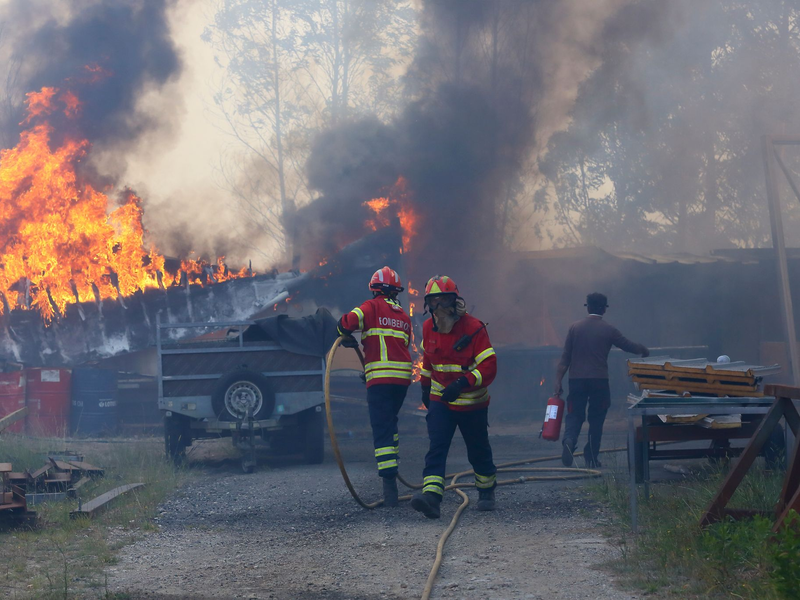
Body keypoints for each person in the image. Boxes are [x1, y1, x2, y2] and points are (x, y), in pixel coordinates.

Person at [410, 275, 498, 519]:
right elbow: (428, 361)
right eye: (433, 301)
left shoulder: (473, 328)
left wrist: (463, 383)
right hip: (441, 401)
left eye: (444, 300)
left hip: (472, 403)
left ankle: (486, 491)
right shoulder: (428, 328)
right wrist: (425, 387)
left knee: (478, 449)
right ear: (427, 304)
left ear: (455, 301)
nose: (438, 307)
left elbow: (489, 366)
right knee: (437, 447)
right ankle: (431, 498)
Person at [338, 266, 413, 507]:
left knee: (381, 428)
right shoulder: (403, 316)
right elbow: (400, 346)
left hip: (381, 380)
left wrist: (342, 331)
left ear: (375, 290)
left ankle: (389, 488)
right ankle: (393, 471)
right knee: (390, 422)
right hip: (401, 380)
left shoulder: (370, 307)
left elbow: (348, 322)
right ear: (396, 291)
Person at [554, 292, 649, 468]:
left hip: (576, 380)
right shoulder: (609, 330)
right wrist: (642, 349)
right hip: (599, 381)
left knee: (574, 414)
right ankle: (591, 456)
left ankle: (569, 440)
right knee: (597, 419)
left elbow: (565, 359)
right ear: (604, 309)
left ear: (588, 307)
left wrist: (558, 381)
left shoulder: (575, 328)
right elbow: (627, 345)